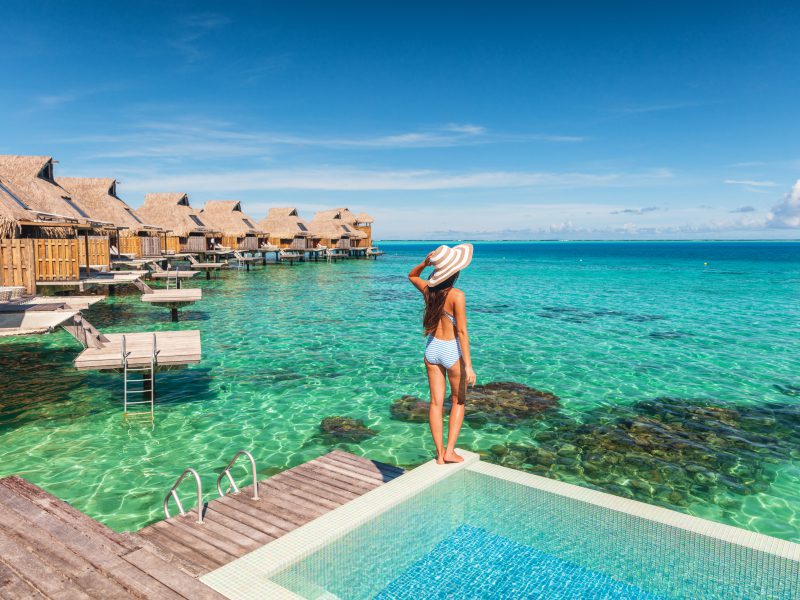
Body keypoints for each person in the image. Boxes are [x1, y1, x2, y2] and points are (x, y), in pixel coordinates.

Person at [408, 244, 476, 464]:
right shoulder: (457, 295)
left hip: (432, 349)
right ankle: (449, 451)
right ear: (454, 271)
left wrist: (425, 263)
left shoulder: (429, 290)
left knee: (436, 403)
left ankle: (439, 455)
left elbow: (412, 275)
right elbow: (462, 333)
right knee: (458, 402)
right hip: (451, 350)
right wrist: (469, 366)